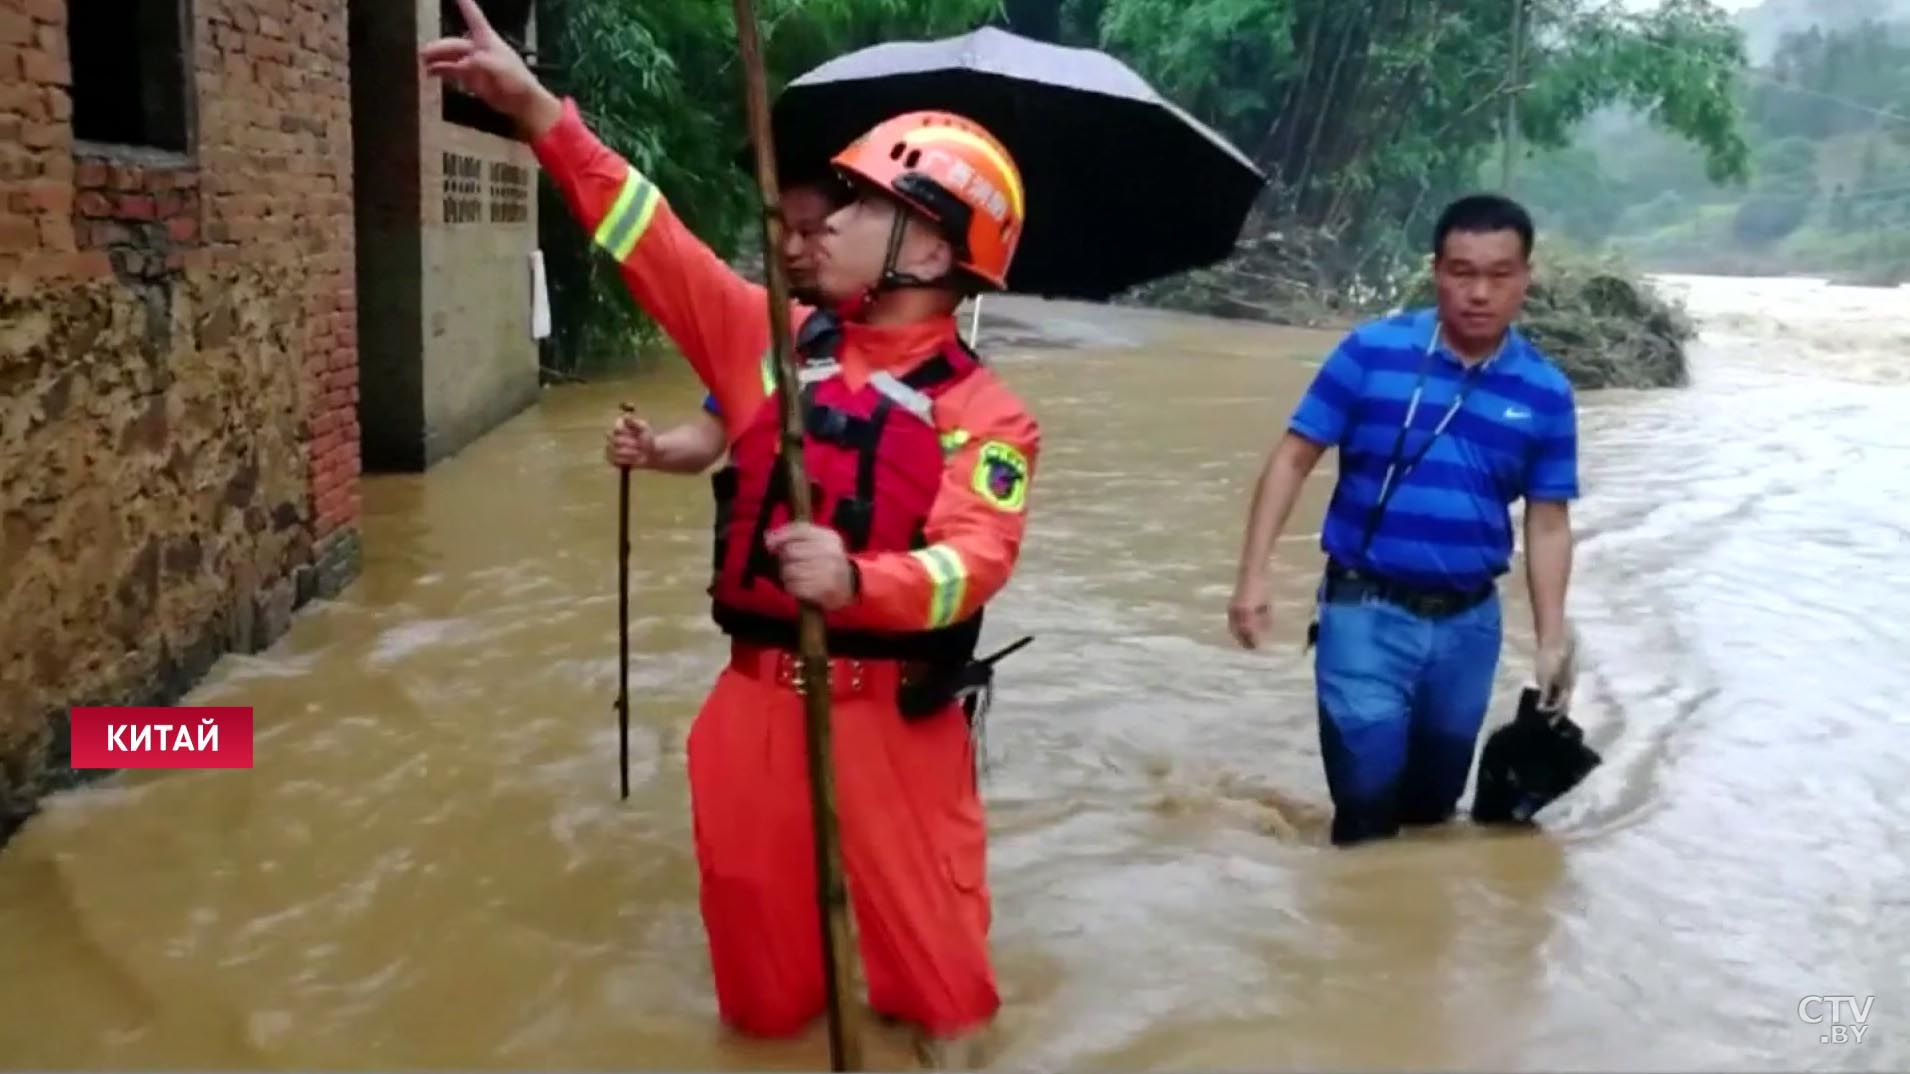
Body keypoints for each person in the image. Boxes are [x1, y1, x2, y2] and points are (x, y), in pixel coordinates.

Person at [423, 0, 1039, 1055]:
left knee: (940, 991)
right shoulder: (764, 343)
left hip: (896, 726)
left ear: (928, 246)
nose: (823, 224)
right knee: (761, 1001)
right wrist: (538, 115)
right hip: (754, 709)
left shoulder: (986, 414)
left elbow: (971, 565)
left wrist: (856, 582)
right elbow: (645, 236)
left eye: (857, 203)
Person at [1226, 193, 1580, 848]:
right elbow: (1292, 459)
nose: (1478, 292)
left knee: (1432, 810)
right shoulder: (1371, 353)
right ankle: (1352, 932)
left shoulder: (1546, 392)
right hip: (1366, 611)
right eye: (1461, 271)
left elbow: (1548, 521)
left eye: (1499, 275)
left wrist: (1552, 637)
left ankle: (1411, 939)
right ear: (1436, 271)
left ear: (1526, 278)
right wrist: (1253, 577)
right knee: (1364, 811)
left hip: (1470, 626)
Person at [616, 178, 850, 475]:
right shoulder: (766, 330)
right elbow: (706, 440)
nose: (791, 249)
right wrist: (651, 449)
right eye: (783, 231)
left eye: (808, 232)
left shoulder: (886, 330)